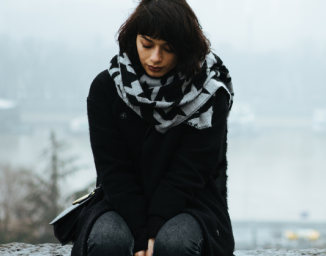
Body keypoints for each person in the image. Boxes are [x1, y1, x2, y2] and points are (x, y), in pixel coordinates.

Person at [81, 0, 235, 255]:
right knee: (108, 240)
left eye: (168, 48)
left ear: (185, 49)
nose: (155, 58)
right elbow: (113, 169)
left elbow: (191, 170)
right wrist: (142, 232)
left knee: (175, 244)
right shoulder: (106, 88)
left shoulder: (209, 94)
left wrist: (156, 226)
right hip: (119, 199)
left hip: (191, 200)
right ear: (134, 39)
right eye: (147, 44)